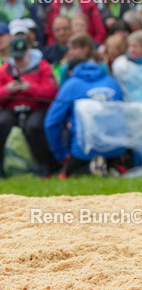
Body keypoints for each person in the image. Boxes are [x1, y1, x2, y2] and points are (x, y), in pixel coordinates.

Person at [43, 57, 125, 176]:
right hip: (116, 146)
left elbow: (51, 123)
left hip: (83, 149)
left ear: (68, 72)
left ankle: (89, 168)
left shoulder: (71, 85)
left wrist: (62, 155)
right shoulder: (111, 81)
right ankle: (112, 166)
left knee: (71, 173)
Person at [0, 24, 59, 176]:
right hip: (11, 108)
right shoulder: (5, 69)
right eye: (15, 57)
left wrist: (29, 87)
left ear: (28, 51)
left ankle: (44, 166)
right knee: (1, 124)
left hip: (36, 108)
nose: (18, 60)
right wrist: (7, 90)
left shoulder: (43, 67)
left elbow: (52, 92)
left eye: (21, 56)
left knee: (35, 127)